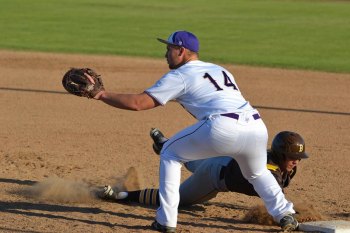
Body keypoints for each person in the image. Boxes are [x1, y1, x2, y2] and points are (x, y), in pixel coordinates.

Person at [85, 30, 299, 232]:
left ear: (181, 50)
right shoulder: (219, 69)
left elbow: (138, 103)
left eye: (169, 49)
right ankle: (285, 214)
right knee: (257, 172)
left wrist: (101, 95)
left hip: (223, 126)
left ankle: (166, 220)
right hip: (255, 126)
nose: (165, 54)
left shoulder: (180, 76)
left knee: (169, 153)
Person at [100, 130, 308, 214]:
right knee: (178, 199)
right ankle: (122, 195)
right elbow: (277, 203)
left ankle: (165, 145)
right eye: (292, 157)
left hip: (223, 159)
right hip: (213, 177)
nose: (296, 162)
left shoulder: (279, 162)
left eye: (298, 158)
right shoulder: (270, 172)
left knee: (187, 159)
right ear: (280, 155)